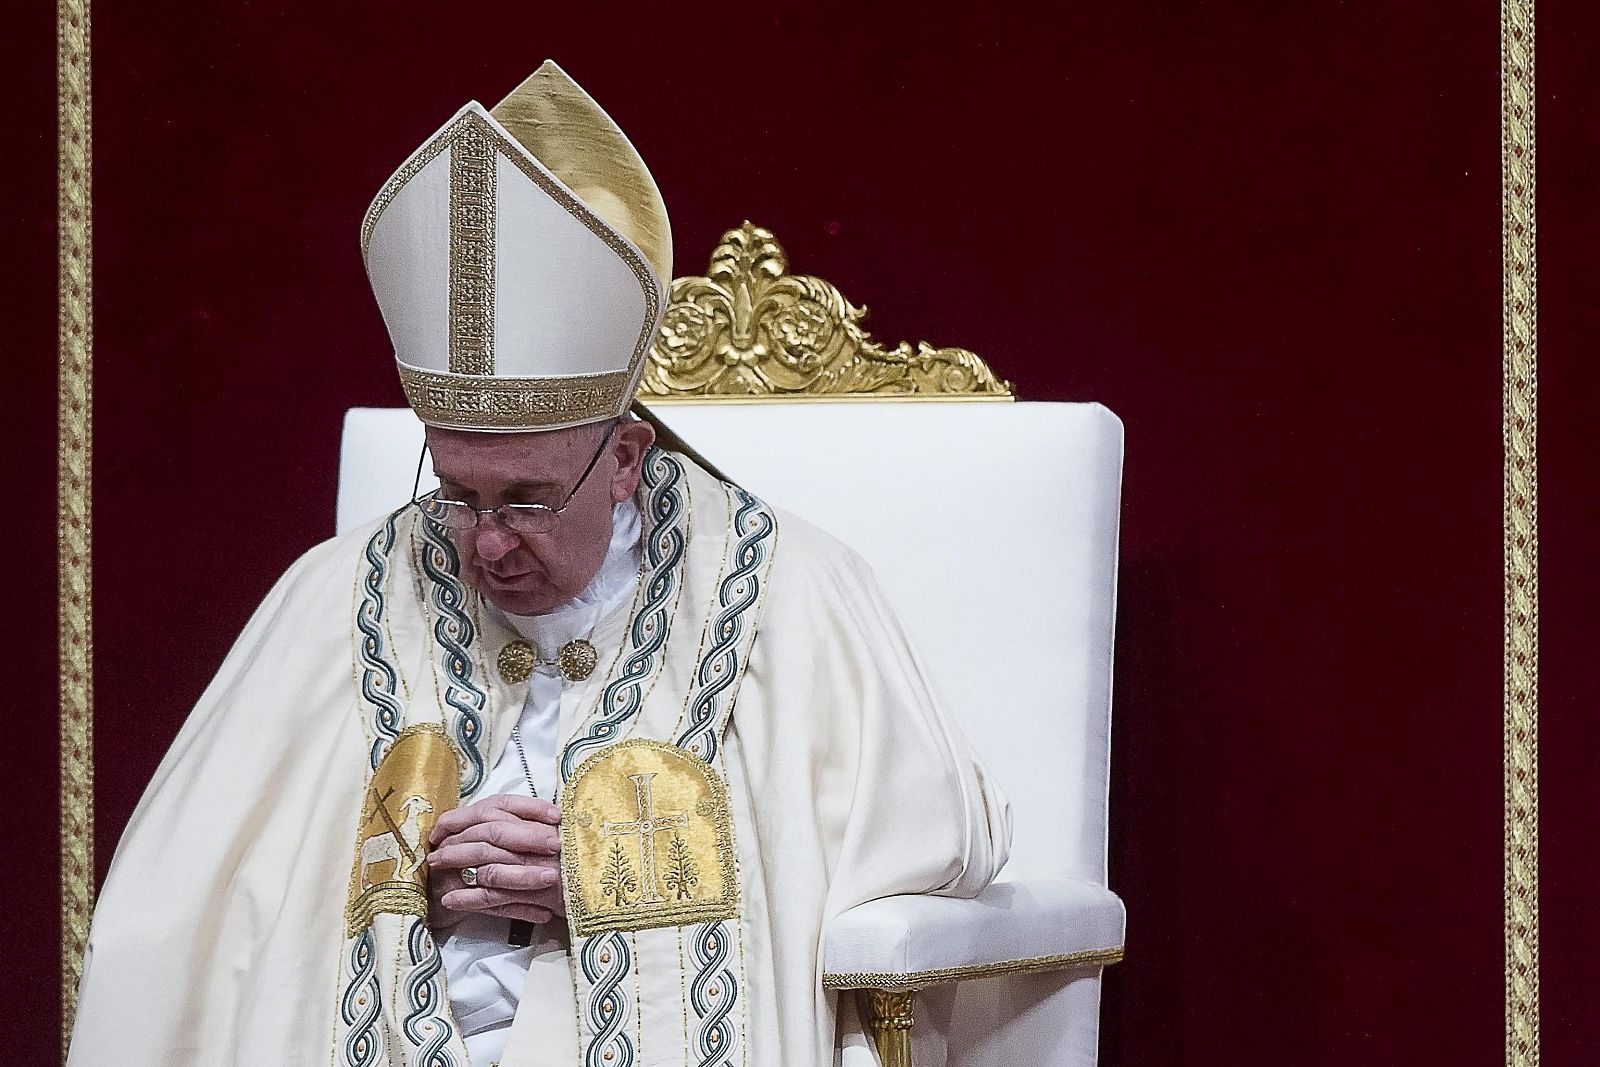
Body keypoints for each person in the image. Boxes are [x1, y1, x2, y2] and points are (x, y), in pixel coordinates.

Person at [67, 61, 1010, 1067]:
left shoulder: (783, 588)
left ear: (625, 459)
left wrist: (617, 872)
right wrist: (398, 877)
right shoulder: (338, 593)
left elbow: (946, 835)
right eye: (457, 492)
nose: (486, 541)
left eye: (526, 498)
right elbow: (202, 894)